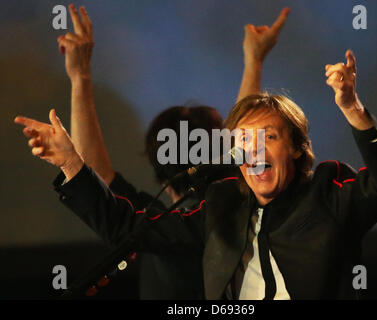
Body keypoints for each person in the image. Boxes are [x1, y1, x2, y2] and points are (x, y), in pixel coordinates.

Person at [15, 13, 377, 300]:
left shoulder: (329, 192)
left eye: (268, 137)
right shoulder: (220, 205)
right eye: (243, 142)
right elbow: (125, 225)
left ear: (295, 146)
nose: (253, 149)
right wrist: (69, 163)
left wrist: (353, 107)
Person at [49, 4, 289, 298]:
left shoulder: (165, 224)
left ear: (155, 160)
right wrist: (254, 61)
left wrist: (80, 77)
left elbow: (95, 176)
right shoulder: (229, 215)